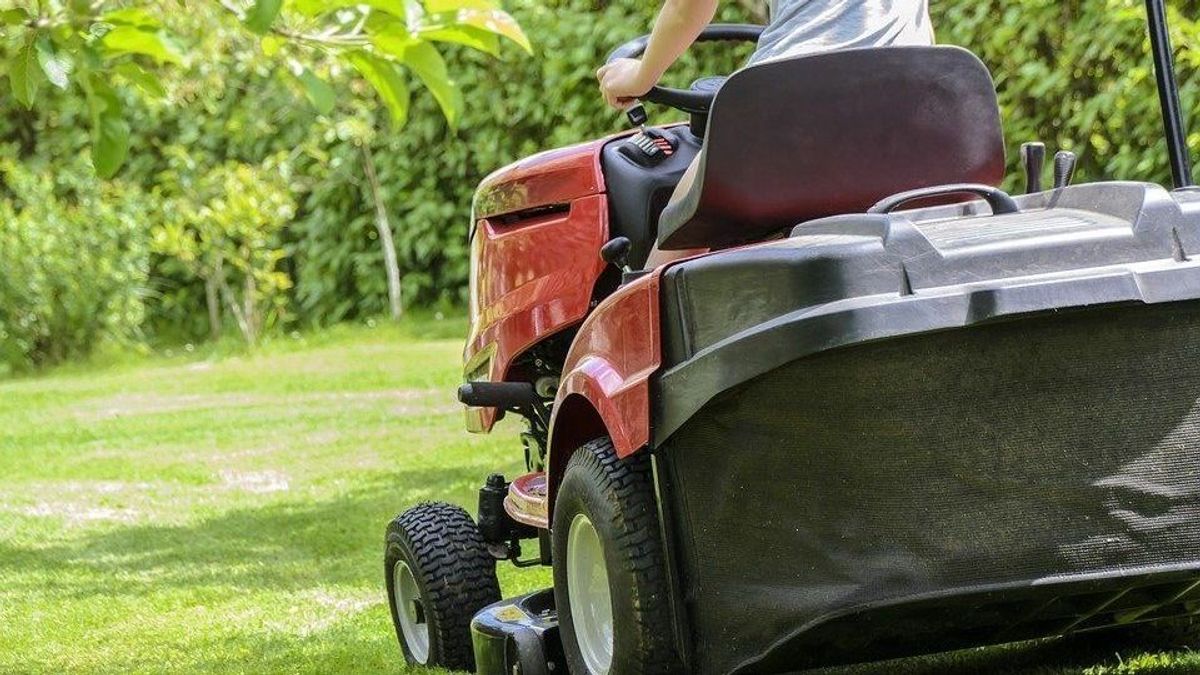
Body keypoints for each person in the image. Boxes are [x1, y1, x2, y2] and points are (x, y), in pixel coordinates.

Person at [596, 0, 934, 267]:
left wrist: (640, 76)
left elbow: (688, 7)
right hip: (919, 106)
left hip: (793, 106)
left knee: (673, 246)